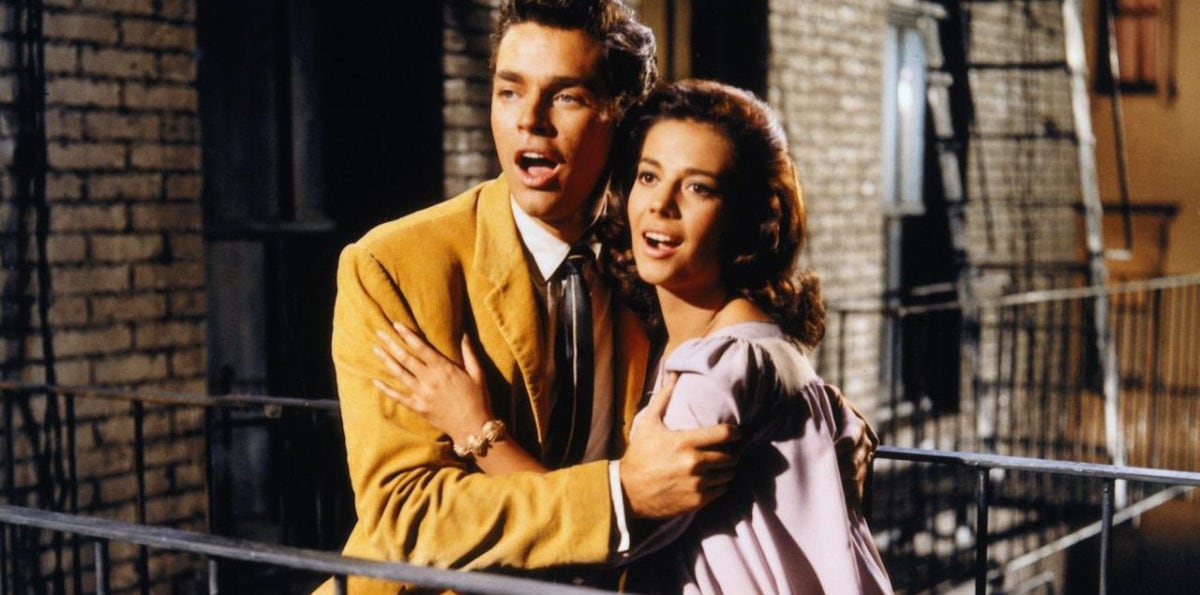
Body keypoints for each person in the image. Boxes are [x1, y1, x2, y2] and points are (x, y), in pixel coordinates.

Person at [324, 0, 876, 592]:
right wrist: (620, 496)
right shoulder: (394, 266)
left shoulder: (648, 256)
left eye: (566, 97)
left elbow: (725, 355)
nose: (530, 120)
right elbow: (406, 518)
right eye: (510, 91)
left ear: (622, 116)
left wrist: (815, 410)